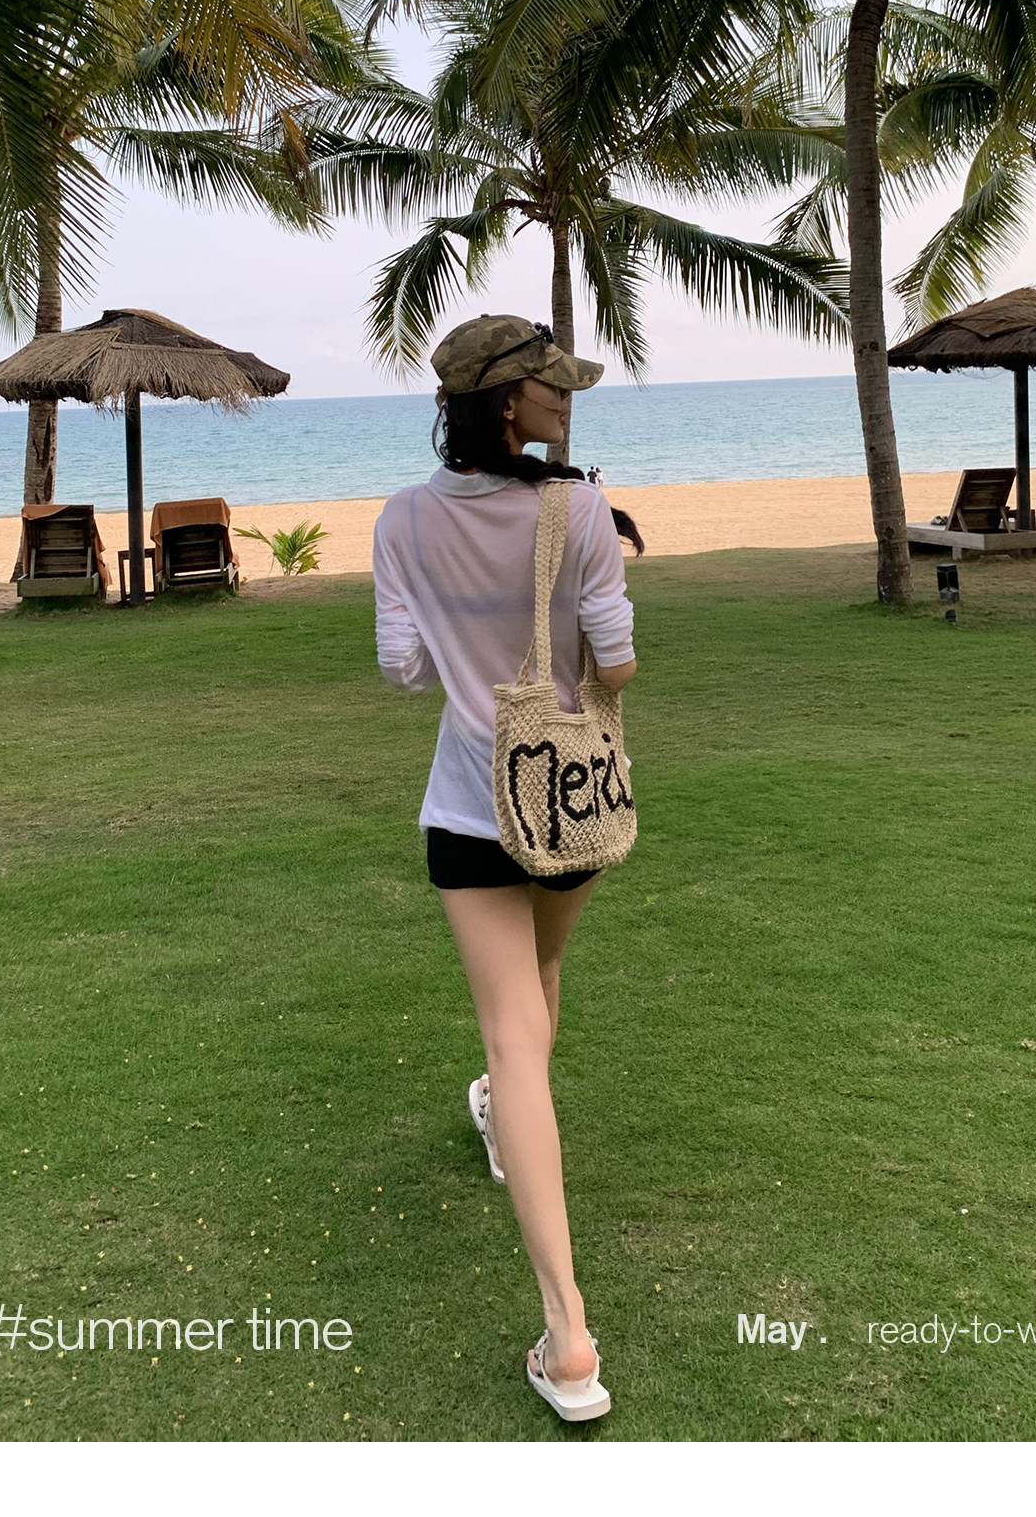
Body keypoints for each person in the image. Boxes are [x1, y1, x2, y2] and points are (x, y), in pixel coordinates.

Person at [372, 315, 644, 1424]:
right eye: (548, 382)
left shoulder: (402, 518)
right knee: (533, 1000)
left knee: (513, 1028)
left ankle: (568, 1333)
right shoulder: (581, 511)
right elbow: (617, 663)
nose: (565, 395)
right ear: (502, 401)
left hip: (468, 803)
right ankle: (503, 1114)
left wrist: (467, 643)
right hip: (570, 797)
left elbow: (403, 668)